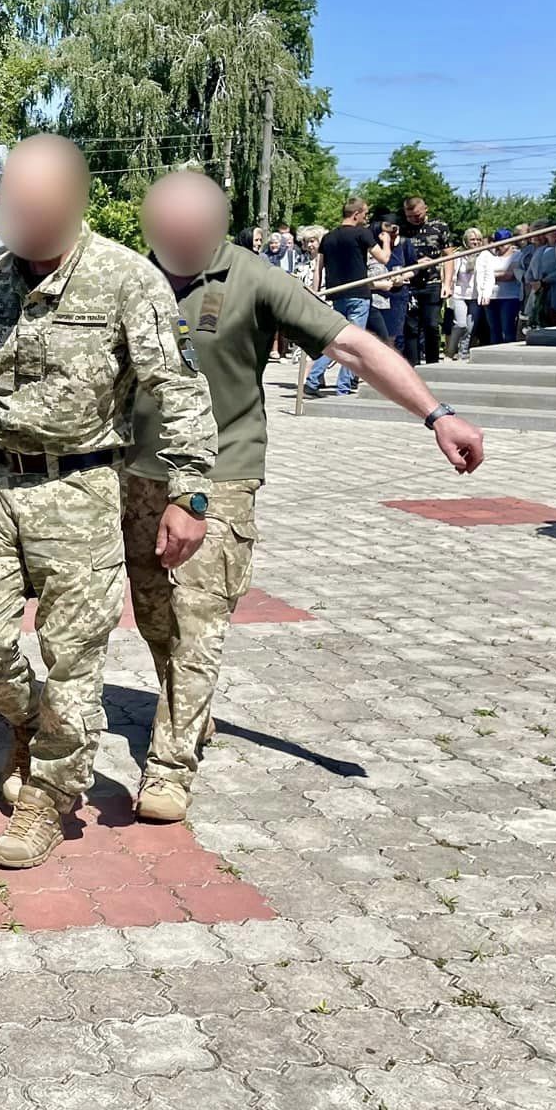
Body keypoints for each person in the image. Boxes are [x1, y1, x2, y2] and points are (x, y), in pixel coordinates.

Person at [127, 174, 485, 820]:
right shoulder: (130, 277)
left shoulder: (253, 277)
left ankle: (170, 767)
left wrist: (436, 414)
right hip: (138, 475)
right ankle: (191, 708)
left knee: (199, 616)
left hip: (221, 472)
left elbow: (352, 345)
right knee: (156, 616)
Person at [0, 135, 215, 873]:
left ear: (73, 202)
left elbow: (179, 389)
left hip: (82, 488)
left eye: (34, 205)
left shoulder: (127, 280)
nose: (18, 218)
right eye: (11, 203)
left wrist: (190, 492)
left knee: (72, 657)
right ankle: (31, 722)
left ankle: (51, 795)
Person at [303, 199, 388, 396]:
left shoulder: (328, 237)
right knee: (353, 343)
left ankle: (313, 380)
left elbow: (318, 268)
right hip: (358, 294)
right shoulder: (362, 234)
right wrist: (386, 241)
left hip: (337, 294)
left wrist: (316, 293)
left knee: (336, 340)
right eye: (365, 213)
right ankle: (343, 387)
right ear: (356, 214)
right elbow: (384, 258)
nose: (366, 217)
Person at [399, 198, 449, 365]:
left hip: (432, 283)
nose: (414, 219)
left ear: (426, 209)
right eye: (409, 216)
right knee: (410, 328)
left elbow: (449, 256)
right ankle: (412, 365)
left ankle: (432, 363)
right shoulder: (401, 230)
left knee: (431, 325)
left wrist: (447, 283)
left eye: (417, 215)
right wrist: (414, 264)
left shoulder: (439, 227)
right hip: (409, 284)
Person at [368, 221, 414, 355]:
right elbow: (384, 259)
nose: (392, 235)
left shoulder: (404, 243)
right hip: (375, 297)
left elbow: (414, 267)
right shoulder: (372, 247)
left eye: (394, 233)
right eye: (388, 233)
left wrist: (402, 277)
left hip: (397, 295)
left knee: (395, 337)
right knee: (379, 337)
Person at [476, 228, 523, 345]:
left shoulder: (517, 255)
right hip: (491, 297)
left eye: (504, 242)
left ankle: (509, 352)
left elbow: (510, 275)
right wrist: (494, 275)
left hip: (510, 297)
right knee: (494, 330)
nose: (501, 245)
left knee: (508, 329)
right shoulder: (490, 256)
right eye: (498, 242)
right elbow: (481, 273)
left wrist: (490, 276)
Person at [446, 227, 486, 359]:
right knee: (461, 324)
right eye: (472, 239)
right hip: (459, 294)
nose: (476, 242)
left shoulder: (484, 255)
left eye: (478, 239)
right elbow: (450, 272)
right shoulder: (458, 255)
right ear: (466, 241)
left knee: (470, 327)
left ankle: (463, 352)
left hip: (475, 295)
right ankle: (451, 349)